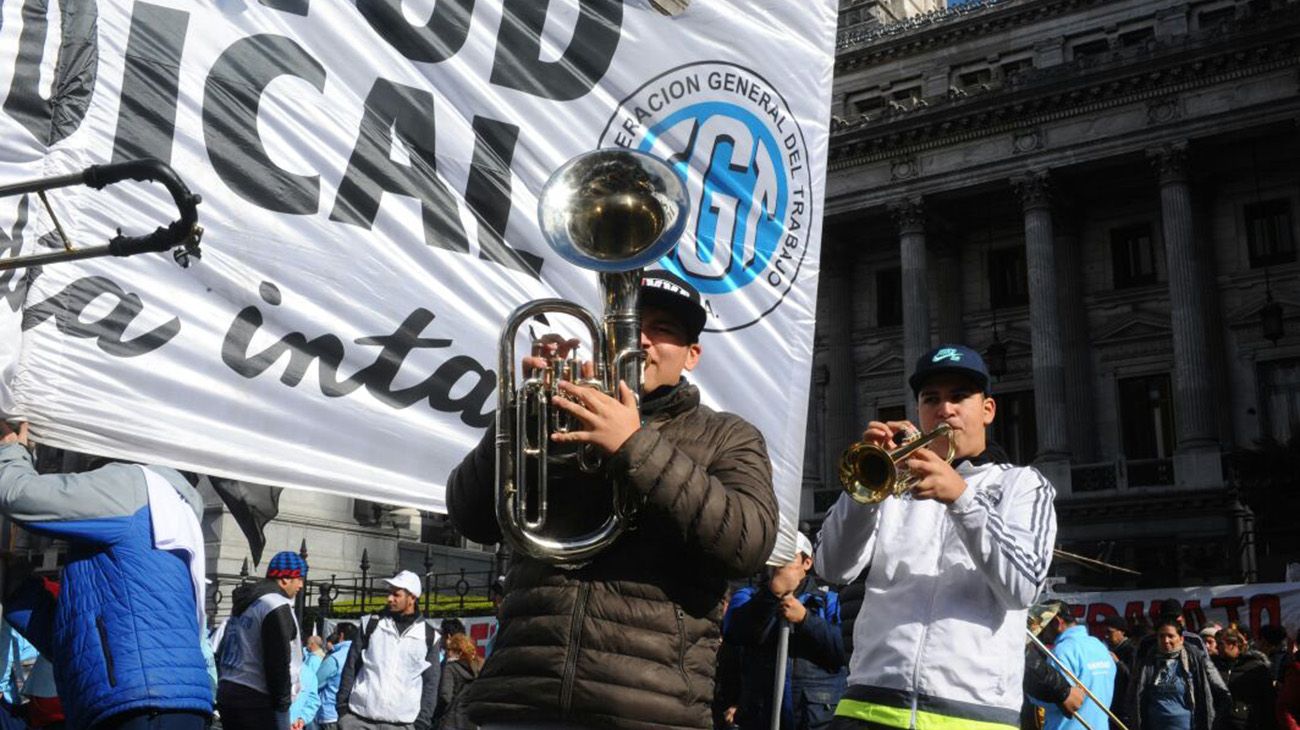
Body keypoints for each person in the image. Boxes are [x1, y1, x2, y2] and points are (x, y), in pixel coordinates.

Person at [446, 270, 778, 730]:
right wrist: (521, 411)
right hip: (519, 700)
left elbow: (747, 543)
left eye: (663, 330)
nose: (640, 339)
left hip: (648, 712)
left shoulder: (729, 436)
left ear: (692, 355)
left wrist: (634, 444)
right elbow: (470, 517)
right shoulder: (557, 413)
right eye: (629, 325)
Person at [816, 344, 1059, 730]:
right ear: (920, 413)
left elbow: (1023, 587)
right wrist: (865, 492)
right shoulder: (895, 486)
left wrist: (962, 498)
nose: (945, 409)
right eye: (932, 399)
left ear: (988, 410)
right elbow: (832, 567)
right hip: (867, 707)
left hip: (972, 716)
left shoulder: (1023, 485)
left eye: (959, 396)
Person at [0, 422, 214, 729]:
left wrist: (10, 450)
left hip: (139, 699)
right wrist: (17, 588)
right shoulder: (164, 503)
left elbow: (18, 494)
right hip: (148, 698)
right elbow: (83, 638)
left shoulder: (131, 484)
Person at [725, 532, 847, 730]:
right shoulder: (747, 597)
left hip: (815, 718)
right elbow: (735, 633)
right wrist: (770, 596)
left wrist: (806, 620)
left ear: (806, 563)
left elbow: (843, 649)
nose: (776, 566)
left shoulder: (829, 601)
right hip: (760, 714)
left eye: (786, 558)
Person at [335, 570, 440, 730]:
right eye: (389, 593)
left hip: (402, 724)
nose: (389, 599)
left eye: (396, 595)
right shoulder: (370, 624)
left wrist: (422, 723)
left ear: (412, 598)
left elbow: (431, 683)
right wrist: (343, 710)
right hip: (358, 719)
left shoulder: (429, 636)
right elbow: (351, 666)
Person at [216, 550, 308, 730]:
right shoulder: (275, 605)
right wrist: (282, 707)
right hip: (257, 698)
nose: (301, 585)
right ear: (285, 579)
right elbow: (278, 661)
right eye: (299, 578)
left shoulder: (246, 605)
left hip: (230, 691)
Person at [1121, 616, 1230, 730]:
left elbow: (1222, 692)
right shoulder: (1146, 663)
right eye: (1161, 636)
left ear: (1181, 639)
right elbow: (1132, 696)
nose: (1166, 640)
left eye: (1170, 636)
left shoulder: (1196, 660)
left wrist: (1217, 721)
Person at [1029, 601, 1116, 730]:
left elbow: (1058, 698)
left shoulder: (1061, 651)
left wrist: (1029, 692)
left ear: (1056, 622)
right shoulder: (1099, 646)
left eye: (1043, 628)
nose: (1042, 634)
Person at [1216, 628, 1275, 730]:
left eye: (1220, 644)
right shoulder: (1215, 666)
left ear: (1233, 644)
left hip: (1248, 724)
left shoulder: (1256, 668)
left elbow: (1268, 702)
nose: (1217, 647)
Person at [435, 633, 483, 730]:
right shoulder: (478, 668)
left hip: (451, 721)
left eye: (449, 649)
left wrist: (436, 714)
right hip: (471, 722)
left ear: (459, 652)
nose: (446, 652)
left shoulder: (450, 668)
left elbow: (445, 696)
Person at [316, 623, 357, 730]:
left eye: (335, 633)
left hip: (329, 713)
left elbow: (316, 682)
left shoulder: (335, 658)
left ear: (341, 635)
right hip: (353, 714)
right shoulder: (360, 655)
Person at [1102, 614, 1135, 730]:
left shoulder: (1132, 650)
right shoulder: (1108, 650)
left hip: (1125, 710)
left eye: (1109, 632)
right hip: (1111, 706)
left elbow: (1134, 678)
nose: (1106, 636)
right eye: (1104, 632)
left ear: (1122, 632)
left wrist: (1118, 663)